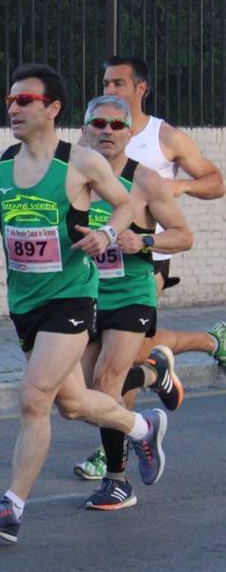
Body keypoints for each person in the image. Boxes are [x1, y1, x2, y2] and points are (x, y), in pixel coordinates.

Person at [0, 63, 168, 544]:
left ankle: (11, 507)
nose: (13, 108)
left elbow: (127, 206)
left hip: (71, 296)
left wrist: (105, 233)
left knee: (34, 397)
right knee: (73, 403)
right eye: (11, 100)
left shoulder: (80, 163)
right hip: (25, 302)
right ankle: (143, 425)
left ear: (52, 108)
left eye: (25, 100)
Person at [73, 55, 226, 479]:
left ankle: (114, 451)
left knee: (115, 366)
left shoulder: (164, 137)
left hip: (146, 259)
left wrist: (179, 186)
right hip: (96, 269)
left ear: (140, 88)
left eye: (119, 83)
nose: (110, 90)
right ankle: (183, 357)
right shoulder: (89, 140)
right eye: (105, 82)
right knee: (122, 363)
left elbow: (216, 181)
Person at [75, 94, 192, 511]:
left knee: (107, 382)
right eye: (98, 124)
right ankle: (153, 372)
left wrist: (144, 239)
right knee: (87, 398)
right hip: (85, 294)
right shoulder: (71, 175)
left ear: (129, 133)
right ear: (85, 128)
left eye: (116, 125)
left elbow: (183, 234)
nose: (107, 131)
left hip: (131, 292)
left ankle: (117, 482)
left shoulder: (144, 180)